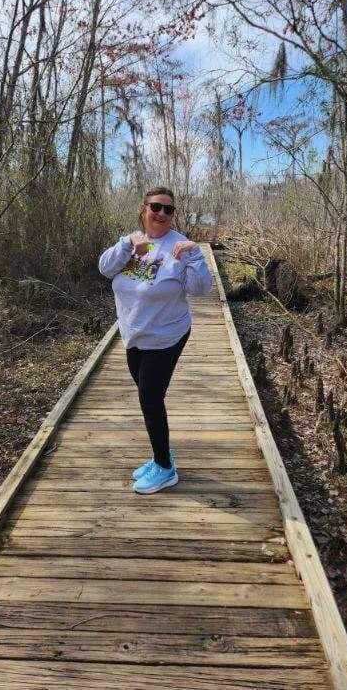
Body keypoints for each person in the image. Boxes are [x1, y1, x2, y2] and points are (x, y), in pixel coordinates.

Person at [98, 187, 213, 494]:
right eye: (156, 207)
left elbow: (201, 289)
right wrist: (126, 244)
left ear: (173, 214)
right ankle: (161, 454)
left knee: (149, 398)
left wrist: (195, 257)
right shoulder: (136, 243)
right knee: (148, 395)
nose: (162, 214)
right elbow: (106, 269)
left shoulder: (179, 247)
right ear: (144, 208)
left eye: (168, 209)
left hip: (166, 335)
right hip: (134, 334)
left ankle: (164, 467)